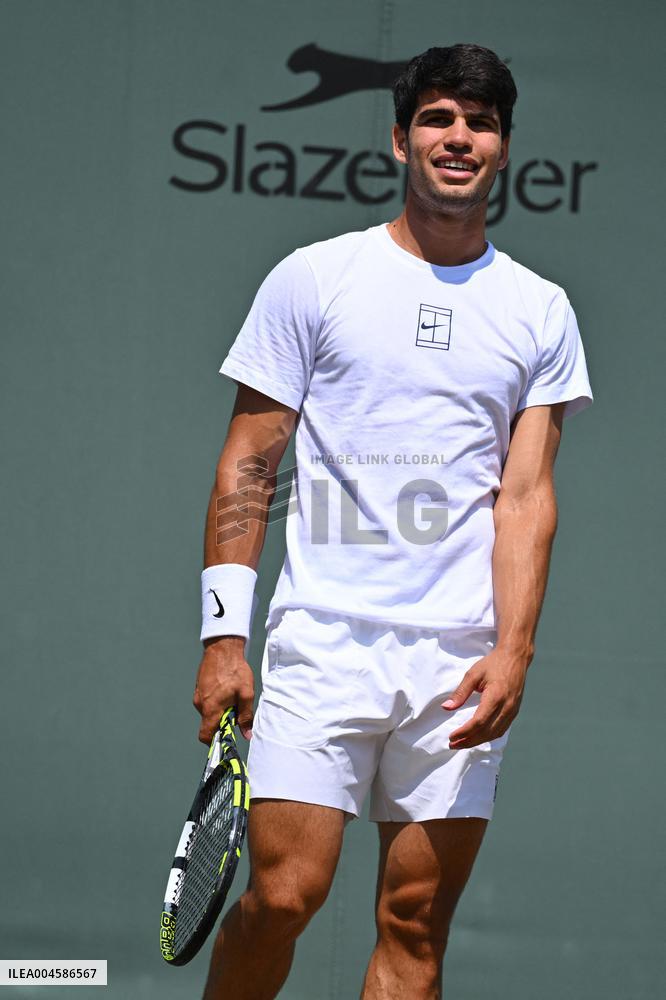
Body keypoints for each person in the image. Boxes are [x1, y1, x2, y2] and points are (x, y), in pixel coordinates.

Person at [194, 43, 593, 999]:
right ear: (401, 139)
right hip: (321, 647)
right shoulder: (314, 278)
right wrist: (222, 637)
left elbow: (526, 497)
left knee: (413, 923)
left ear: (503, 149)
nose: (459, 138)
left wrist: (515, 651)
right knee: (285, 896)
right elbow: (250, 461)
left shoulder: (540, 310)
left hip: (456, 668)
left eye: (480, 123)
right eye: (439, 119)